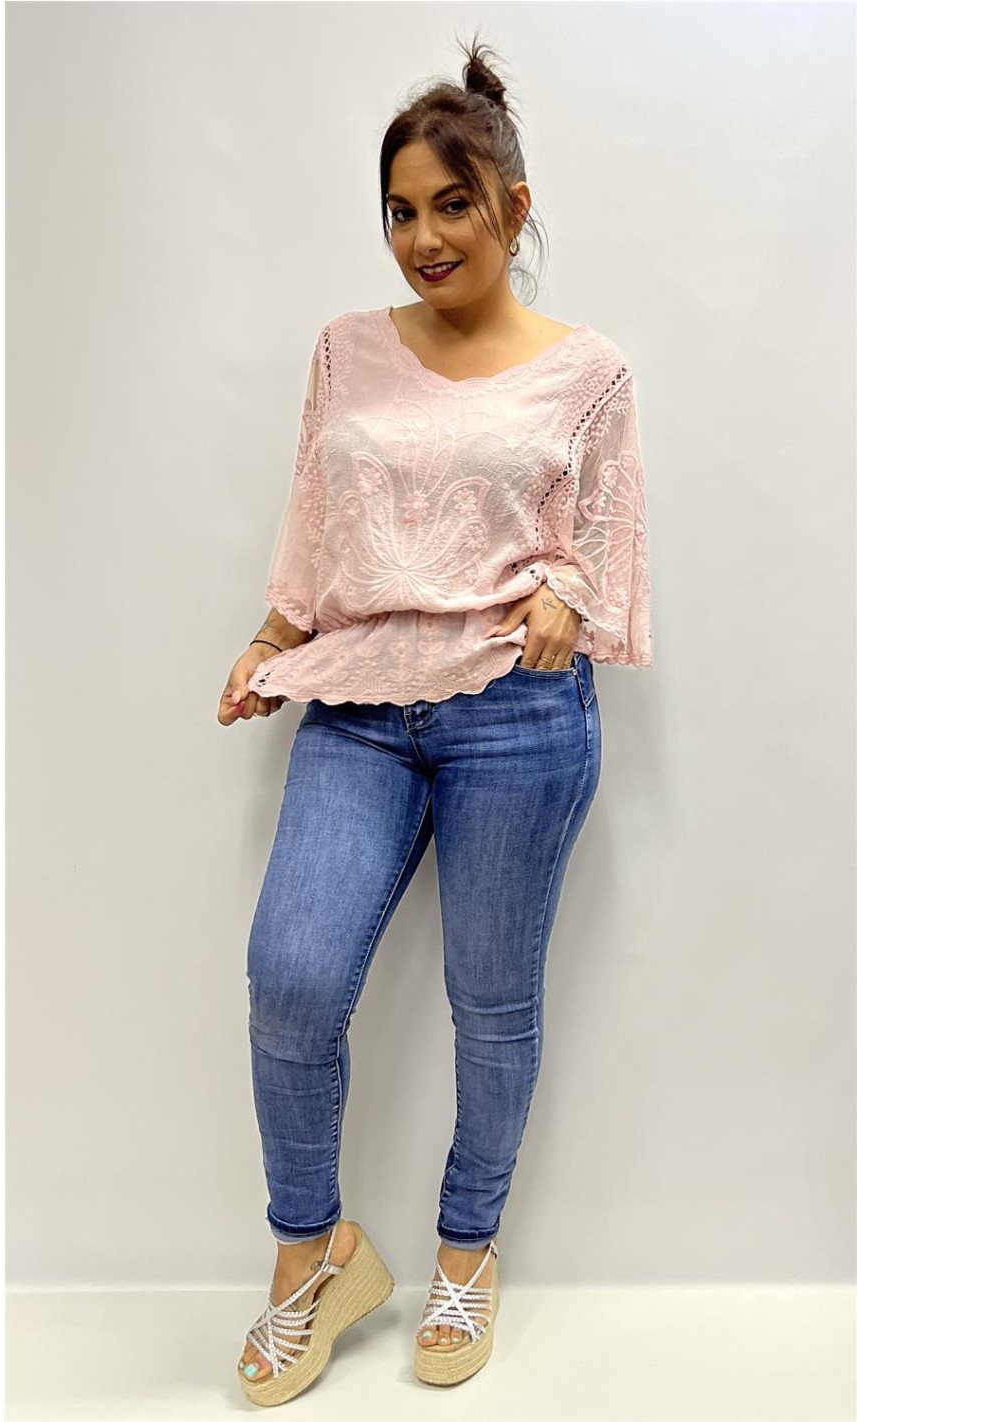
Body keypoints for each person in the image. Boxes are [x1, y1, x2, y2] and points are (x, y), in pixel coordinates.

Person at [217, 33, 654, 1407]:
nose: (423, 238)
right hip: (358, 706)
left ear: (514, 208)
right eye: (400, 211)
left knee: (491, 1001)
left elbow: (605, 533)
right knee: (291, 979)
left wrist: (567, 596)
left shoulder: (590, 372)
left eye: (452, 205)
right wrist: (275, 635)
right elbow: (316, 509)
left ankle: (468, 1251)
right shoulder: (345, 352)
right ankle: (316, 1253)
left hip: (517, 711)